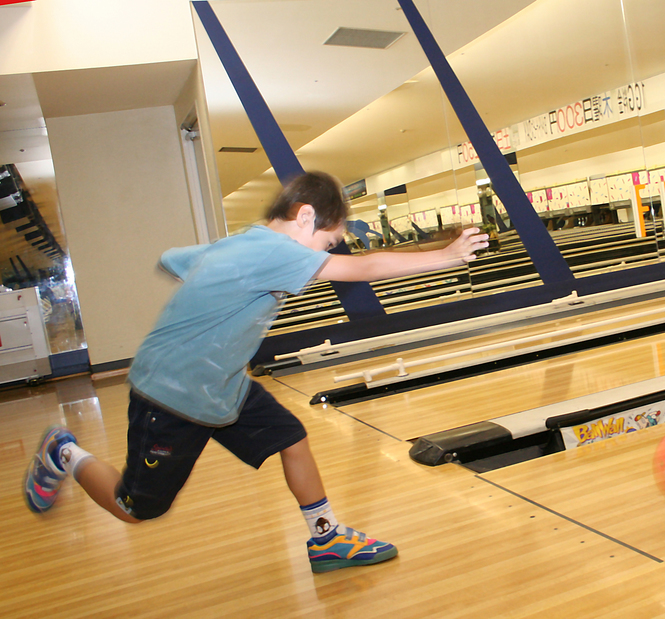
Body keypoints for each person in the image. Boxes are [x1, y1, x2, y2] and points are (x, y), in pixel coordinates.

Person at [23, 171, 488, 573]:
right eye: (327, 242)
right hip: (172, 394)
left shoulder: (245, 242)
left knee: (292, 437)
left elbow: (175, 257)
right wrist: (444, 257)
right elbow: (364, 265)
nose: (323, 255)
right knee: (134, 508)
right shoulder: (272, 251)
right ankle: (63, 452)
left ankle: (326, 538)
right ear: (305, 217)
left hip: (221, 381)